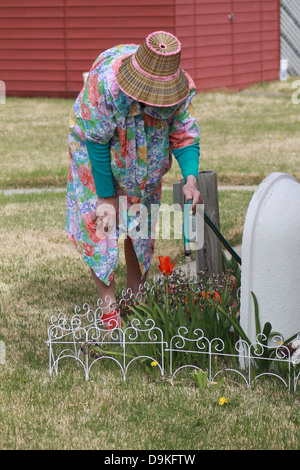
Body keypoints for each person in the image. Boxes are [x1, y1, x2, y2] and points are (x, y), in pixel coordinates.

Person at [66, 30, 202, 325]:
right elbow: (97, 139)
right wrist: (105, 196)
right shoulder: (105, 85)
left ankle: (135, 303)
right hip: (96, 152)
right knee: (104, 223)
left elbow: (183, 134)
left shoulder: (178, 92)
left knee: (139, 225)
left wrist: (191, 178)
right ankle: (110, 311)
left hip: (143, 160)